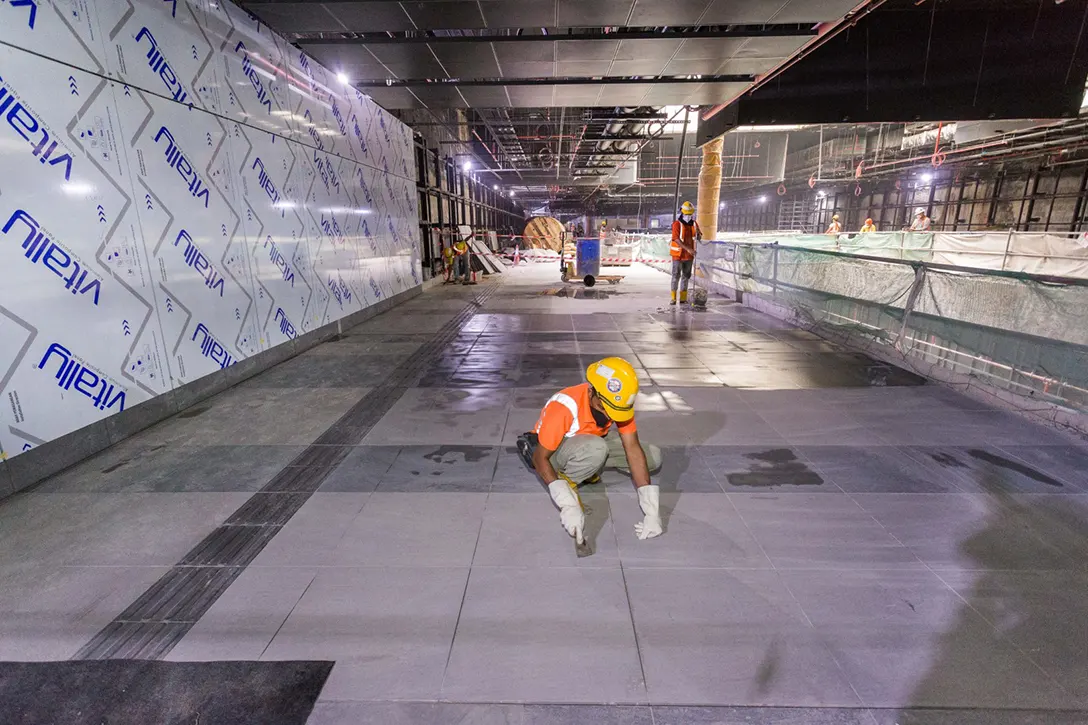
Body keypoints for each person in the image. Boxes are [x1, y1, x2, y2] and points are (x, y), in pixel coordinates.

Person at [516, 357, 663, 545]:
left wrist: (651, 509)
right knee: (596, 449)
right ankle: (568, 480)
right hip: (554, 452)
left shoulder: (619, 404)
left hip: (589, 444)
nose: (611, 414)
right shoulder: (564, 406)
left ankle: (590, 468)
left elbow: (632, 448)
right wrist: (567, 502)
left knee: (653, 456)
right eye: (605, 407)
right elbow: (539, 458)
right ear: (592, 390)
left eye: (615, 410)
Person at [670, 201, 701, 305]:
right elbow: (676, 239)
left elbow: (699, 235)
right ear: (682, 212)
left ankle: (683, 299)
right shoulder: (677, 224)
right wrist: (688, 249)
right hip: (678, 256)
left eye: (690, 214)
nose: (688, 216)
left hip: (689, 257)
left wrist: (699, 235)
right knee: (676, 276)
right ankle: (673, 298)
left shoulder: (694, 224)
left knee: (686, 277)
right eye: (687, 214)